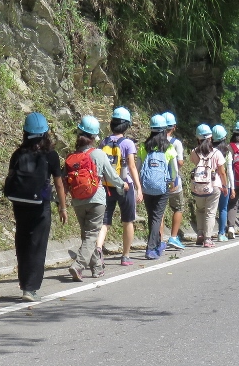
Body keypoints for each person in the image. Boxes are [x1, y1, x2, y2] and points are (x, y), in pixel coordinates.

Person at [5, 112, 67, 302]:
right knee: (37, 245)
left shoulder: (17, 154)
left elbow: (11, 177)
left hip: (20, 204)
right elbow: (58, 183)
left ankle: (24, 283)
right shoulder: (51, 155)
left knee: (22, 242)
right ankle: (30, 289)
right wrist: (63, 207)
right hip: (40, 206)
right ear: (45, 133)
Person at [66, 116, 126, 282]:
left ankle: (97, 268)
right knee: (92, 235)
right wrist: (123, 185)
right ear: (93, 137)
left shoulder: (72, 157)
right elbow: (112, 176)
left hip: (78, 200)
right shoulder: (98, 153)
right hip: (97, 198)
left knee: (87, 235)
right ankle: (78, 265)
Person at [96, 107, 143, 266]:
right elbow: (132, 166)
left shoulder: (103, 142)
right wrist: (138, 187)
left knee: (104, 222)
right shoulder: (128, 143)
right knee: (128, 221)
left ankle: (98, 248)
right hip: (125, 186)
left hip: (106, 186)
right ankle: (125, 256)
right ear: (126, 125)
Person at [139, 115, 180, 260]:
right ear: (164, 131)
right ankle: (151, 248)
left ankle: (157, 244)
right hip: (162, 187)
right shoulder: (168, 147)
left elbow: (139, 167)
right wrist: (173, 182)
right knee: (157, 216)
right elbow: (174, 169)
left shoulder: (144, 147)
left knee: (152, 216)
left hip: (146, 186)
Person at [189, 124, 227, 248]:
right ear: (210, 138)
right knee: (210, 212)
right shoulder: (216, 153)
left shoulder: (194, 152)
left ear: (197, 139)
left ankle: (200, 233)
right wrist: (225, 186)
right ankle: (208, 239)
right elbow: (222, 172)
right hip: (214, 185)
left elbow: (195, 163)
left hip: (198, 186)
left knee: (200, 209)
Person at [161, 112, 186, 250]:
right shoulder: (176, 143)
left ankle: (159, 239)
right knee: (178, 207)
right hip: (173, 181)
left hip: (158, 181)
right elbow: (180, 162)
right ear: (174, 127)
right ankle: (173, 237)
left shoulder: (153, 141)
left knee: (160, 210)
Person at [211, 125, 235, 241]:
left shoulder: (209, 149)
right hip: (224, 184)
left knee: (210, 210)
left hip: (211, 183)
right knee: (223, 209)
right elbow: (229, 171)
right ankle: (221, 233)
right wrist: (231, 187)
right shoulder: (227, 151)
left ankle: (206, 235)